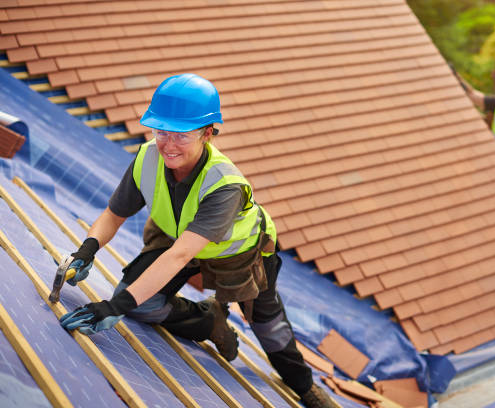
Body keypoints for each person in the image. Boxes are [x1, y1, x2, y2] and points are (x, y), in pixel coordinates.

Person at [59, 73, 335, 407]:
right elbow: (113, 215)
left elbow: (179, 256)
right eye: (161, 132)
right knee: (138, 301)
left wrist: (113, 309)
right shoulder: (148, 158)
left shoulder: (224, 185)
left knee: (268, 328)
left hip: (241, 255)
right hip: (180, 240)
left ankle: (305, 387)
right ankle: (210, 320)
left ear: (207, 134)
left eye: (181, 136)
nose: (168, 145)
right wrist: (87, 250)